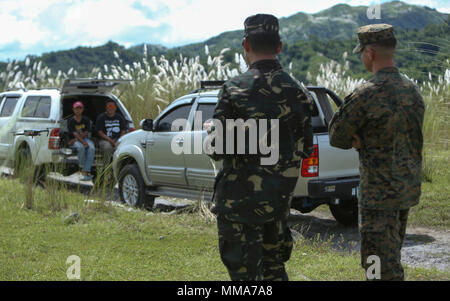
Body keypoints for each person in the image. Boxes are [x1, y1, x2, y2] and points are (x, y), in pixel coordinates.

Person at [205, 14, 313, 281]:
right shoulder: (299, 92)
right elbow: (307, 147)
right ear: (279, 46)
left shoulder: (234, 89)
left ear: (245, 45)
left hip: (240, 207)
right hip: (277, 205)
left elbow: (216, 148)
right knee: (275, 272)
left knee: (245, 278)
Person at [328, 24, 425, 281]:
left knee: (378, 267)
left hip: (378, 196)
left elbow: (336, 136)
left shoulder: (365, 94)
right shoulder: (412, 91)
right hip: (405, 190)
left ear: (369, 53)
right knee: (390, 256)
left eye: (361, 52)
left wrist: (359, 141)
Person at [67, 101, 95, 181]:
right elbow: (74, 133)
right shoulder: (71, 120)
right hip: (74, 139)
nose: (78, 110)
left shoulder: (86, 120)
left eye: (80, 108)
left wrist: (83, 141)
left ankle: (86, 171)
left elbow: (86, 132)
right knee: (81, 147)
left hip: (82, 138)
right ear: (73, 109)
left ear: (82, 109)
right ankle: (82, 167)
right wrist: (82, 142)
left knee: (91, 148)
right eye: (76, 108)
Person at [95, 99, 128, 164]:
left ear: (115, 108)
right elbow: (99, 132)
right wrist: (110, 140)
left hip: (118, 139)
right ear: (106, 108)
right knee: (107, 148)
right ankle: (107, 167)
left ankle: (119, 166)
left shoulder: (120, 117)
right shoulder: (101, 117)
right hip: (105, 140)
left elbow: (123, 130)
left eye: (112, 107)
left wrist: (119, 140)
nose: (110, 108)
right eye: (109, 107)